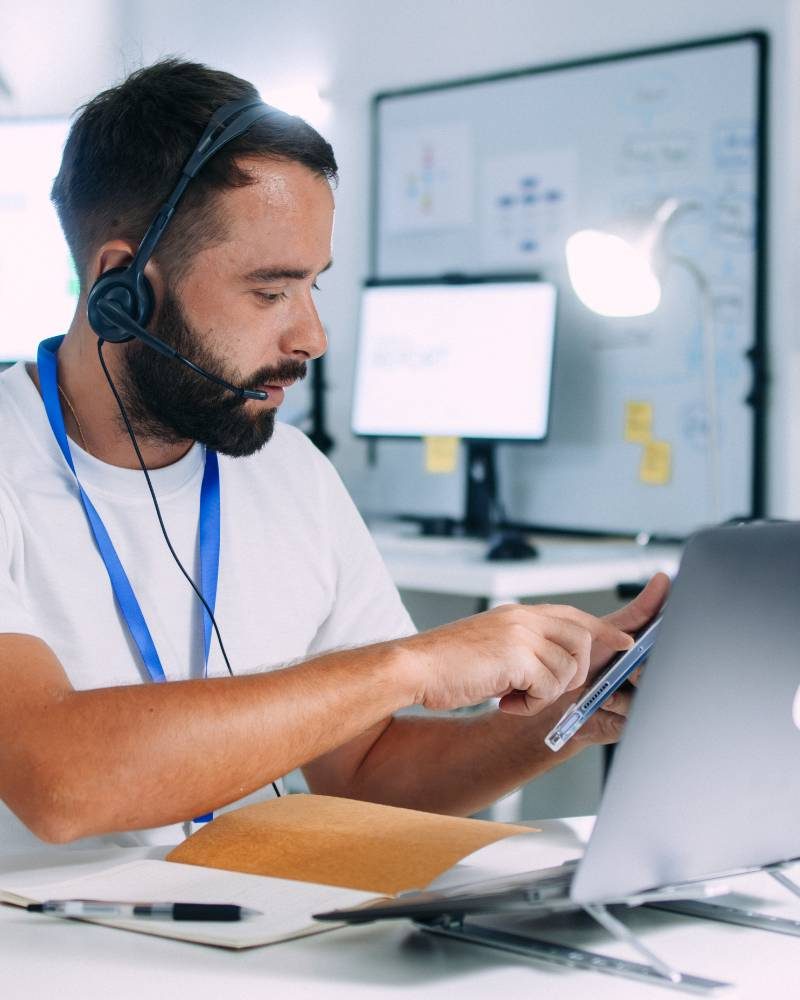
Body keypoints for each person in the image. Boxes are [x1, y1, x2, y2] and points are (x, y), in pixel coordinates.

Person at [0, 59, 668, 853]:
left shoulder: (292, 472)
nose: (311, 337)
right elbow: (59, 782)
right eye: (270, 291)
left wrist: (571, 715)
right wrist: (408, 665)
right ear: (122, 287)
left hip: (254, 919)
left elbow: (364, 774)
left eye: (313, 285)